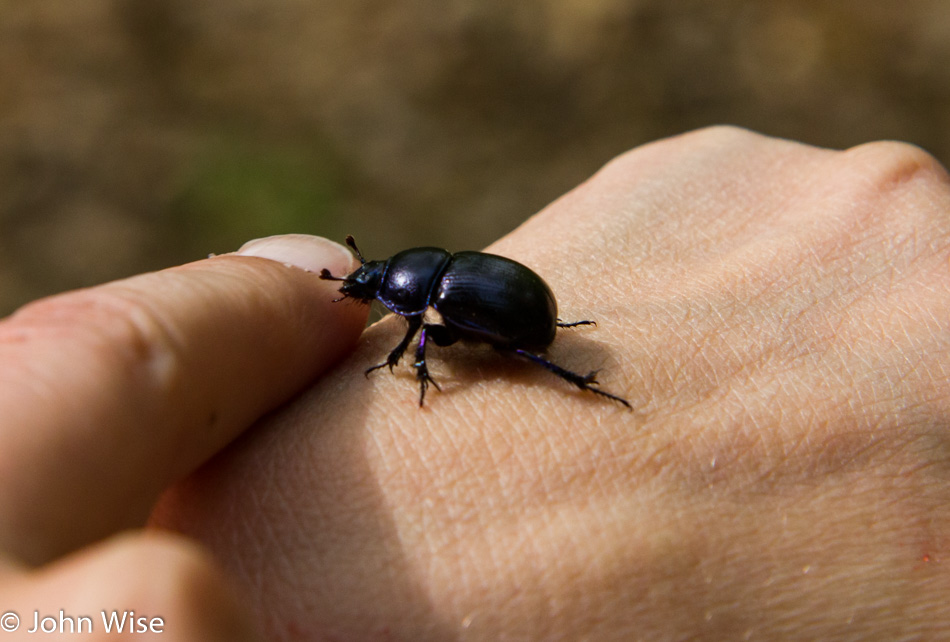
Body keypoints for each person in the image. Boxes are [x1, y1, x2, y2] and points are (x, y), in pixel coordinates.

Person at [2, 126, 949, 640]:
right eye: (367, 284)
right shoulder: (430, 284)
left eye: (373, 285)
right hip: (500, 295)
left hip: (521, 312)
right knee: (494, 349)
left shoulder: (429, 307)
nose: (368, 291)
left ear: (401, 288)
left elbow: (427, 341)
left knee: (522, 358)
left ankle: (586, 386)